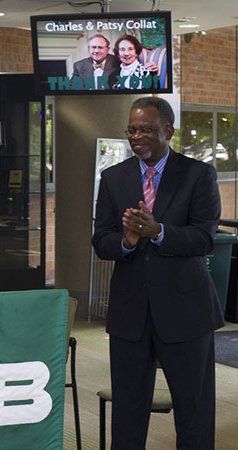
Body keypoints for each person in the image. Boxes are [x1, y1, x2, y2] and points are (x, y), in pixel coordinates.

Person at [92, 97, 223, 449]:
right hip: (130, 315)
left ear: (168, 131)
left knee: (193, 412)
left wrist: (159, 232)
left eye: (147, 129)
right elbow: (101, 240)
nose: (138, 137)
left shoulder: (198, 174)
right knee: (128, 414)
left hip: (186, 314)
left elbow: (204, 238)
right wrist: (128, 241)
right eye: (132, 130)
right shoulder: (113, 178)